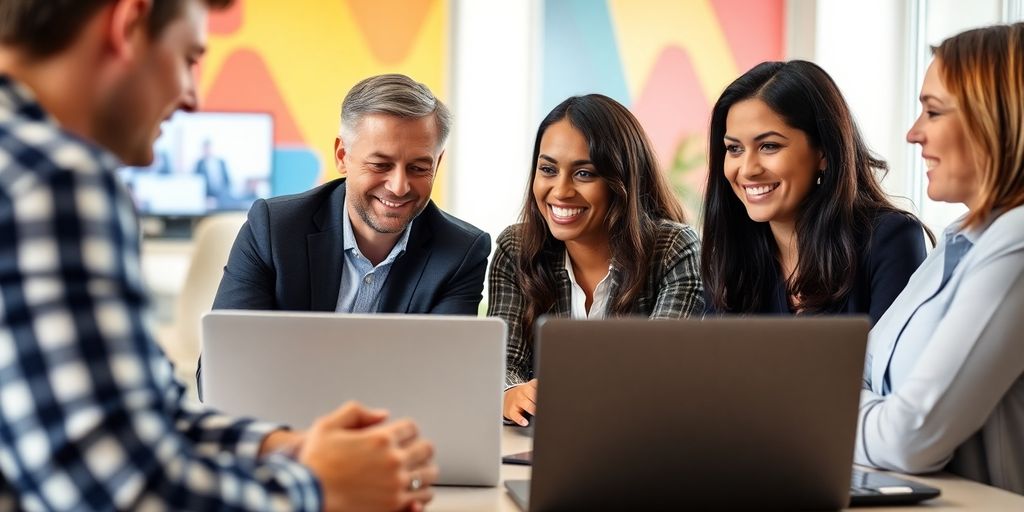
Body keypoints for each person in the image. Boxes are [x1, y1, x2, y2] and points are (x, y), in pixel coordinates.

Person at [0, 1, 437, 510]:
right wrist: (319, 489)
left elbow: (150, 414)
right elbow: (127, 491)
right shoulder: (56, 179)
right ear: (129, 24)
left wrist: (290, 446)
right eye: (189, 58)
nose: (192, 97)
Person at [856, 22, 1024, 495]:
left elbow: (910, 439)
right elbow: (857, 370)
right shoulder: (961, 237)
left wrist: (816, 411)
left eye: (932, 111)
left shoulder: (1016, 241)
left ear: (1000, 120)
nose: (913, 134)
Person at [489, 94, 704, 426]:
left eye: (584, 174)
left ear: (622, 180)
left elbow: (662, 373)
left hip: (642, 447)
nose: (560, 191)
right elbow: (503, 363)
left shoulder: (674, 248)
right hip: (538, 446)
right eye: (548, 169)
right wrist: (511, 392)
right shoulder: (516, 248)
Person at [701, 60, 929, 325]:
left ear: (823, 152)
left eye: (769, 146)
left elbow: (892, 364)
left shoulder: (888, 240)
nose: (747, 169)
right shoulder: (730, 257)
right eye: (734, 149)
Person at [194, 137, 232, 206]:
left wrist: (224, 196)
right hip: (207, 198)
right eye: (205, 148)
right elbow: (197, 184)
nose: (207, 150)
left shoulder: (221, 162)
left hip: (222, 196)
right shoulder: (199, 164)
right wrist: (205, 197)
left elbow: (227, 181)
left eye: (208, 148)